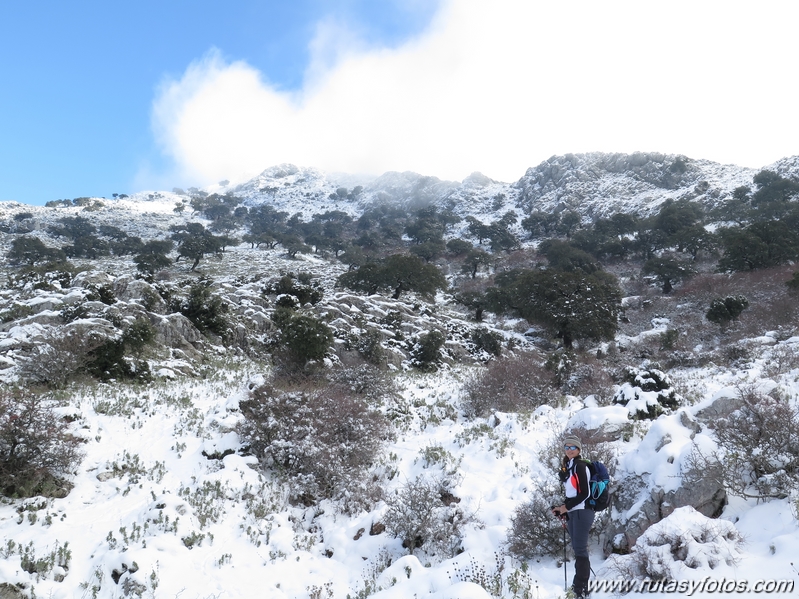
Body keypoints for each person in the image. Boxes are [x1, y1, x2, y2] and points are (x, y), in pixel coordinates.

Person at [552, 435, 594, 599]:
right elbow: (573, 494)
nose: (569, 450)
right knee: (578, 549)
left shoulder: (580, 466)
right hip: (573, 511)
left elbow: (585, 493)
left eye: (572, 447)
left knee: (580, 550)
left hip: (583, 511)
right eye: (566, 447)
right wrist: (561, 508)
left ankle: (581, 590)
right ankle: (579, 587)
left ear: (578, 449)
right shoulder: (569, 467)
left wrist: (565, 507)